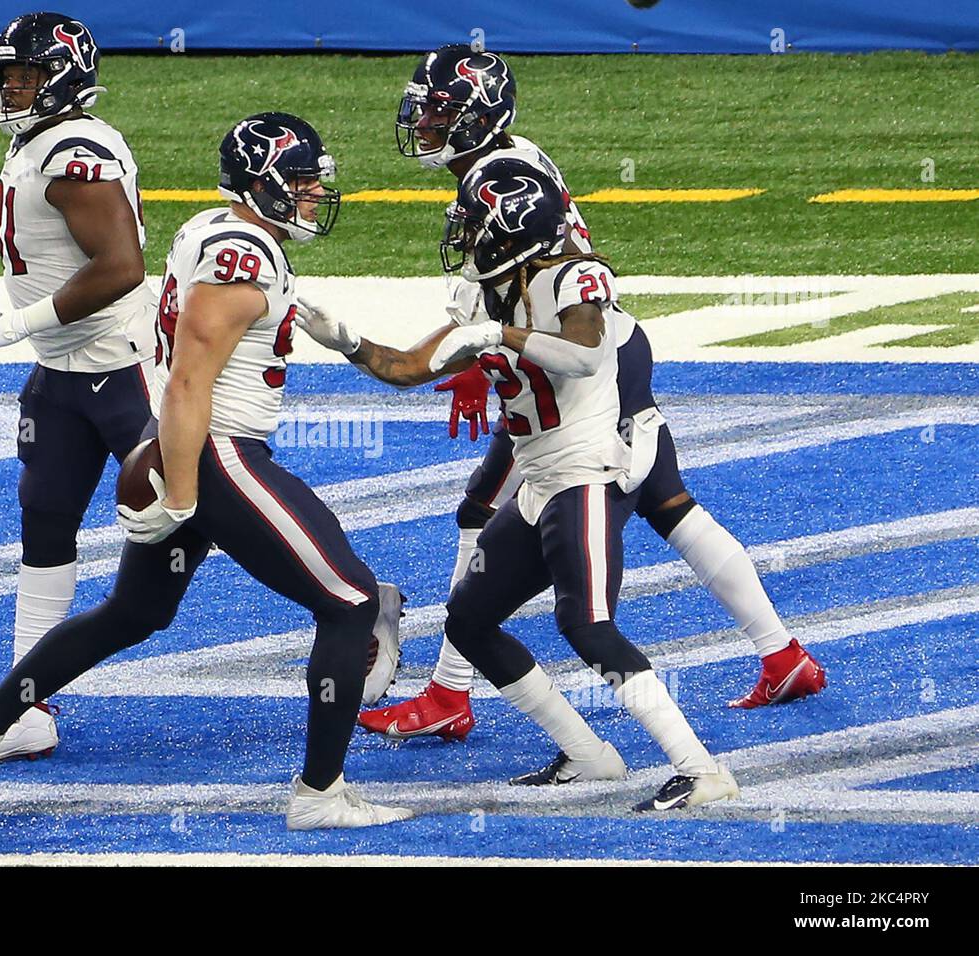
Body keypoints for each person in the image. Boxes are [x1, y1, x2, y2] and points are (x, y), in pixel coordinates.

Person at [0, 113, 412, 831]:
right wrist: (183, 491)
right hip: (217, 451)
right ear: (263, 184)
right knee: (349, 603)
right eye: (304, 180)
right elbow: (189, 379)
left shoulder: (213, 231)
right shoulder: (242, 256)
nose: (315, 194)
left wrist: (348, 343)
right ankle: (321, 794)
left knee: (137, 611)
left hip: (193, 444)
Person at [358, 45, 824, 742]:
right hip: (599, 343)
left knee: (485, 509)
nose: (423, 120)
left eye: (440, 109)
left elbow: (540, 289)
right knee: (667, 503)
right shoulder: (508, 161)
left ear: (478, 115)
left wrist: (482, 346)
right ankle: (783, 653)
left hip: (575, 359)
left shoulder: (498, 177)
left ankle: (450, 693)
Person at [299, 155, 740, 809]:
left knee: (588, 625)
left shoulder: (574, 277)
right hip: (540, 480)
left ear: (511, 234)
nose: (461, 235)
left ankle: (701, 769)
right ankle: (590, 756)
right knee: (470, 622)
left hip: (589, 472)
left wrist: (501, 333)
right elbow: (408, 366)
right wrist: (348, 342)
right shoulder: (486, 294)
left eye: (474, 224)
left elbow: (587, 355)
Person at [0, 12, 157, 760]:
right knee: (45, 522)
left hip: (123, 367)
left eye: (26, 74)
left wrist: (22, 324)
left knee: (210, 516)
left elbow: (122, 266)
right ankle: (25, 707)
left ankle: (353, 612)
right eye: (8, 75)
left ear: (65, 74)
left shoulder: (74, 152)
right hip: (64, 372)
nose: (13, 88)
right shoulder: (38, 142)